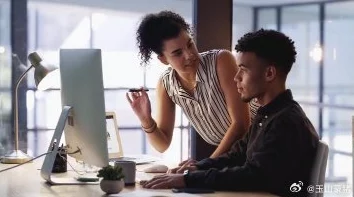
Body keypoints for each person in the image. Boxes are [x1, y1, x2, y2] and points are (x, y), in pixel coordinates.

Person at [140, 29, 320, 197]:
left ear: (270, 73)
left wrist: (187, 179)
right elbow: (237, 155)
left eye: (243, 69)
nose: (236, 77)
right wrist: (197, 167)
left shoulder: (285, 122)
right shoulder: (267, 115)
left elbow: (253, 175)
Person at [126, 11, 259, 159]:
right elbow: (162, 145)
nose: (189, 55)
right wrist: (146, 120)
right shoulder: (167, 84)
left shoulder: (221, 61)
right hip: (238, 155)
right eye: (177, 53)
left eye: (190, 44)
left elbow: (241, 124)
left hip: (268, 145)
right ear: (163, 59)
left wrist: (203, 165)